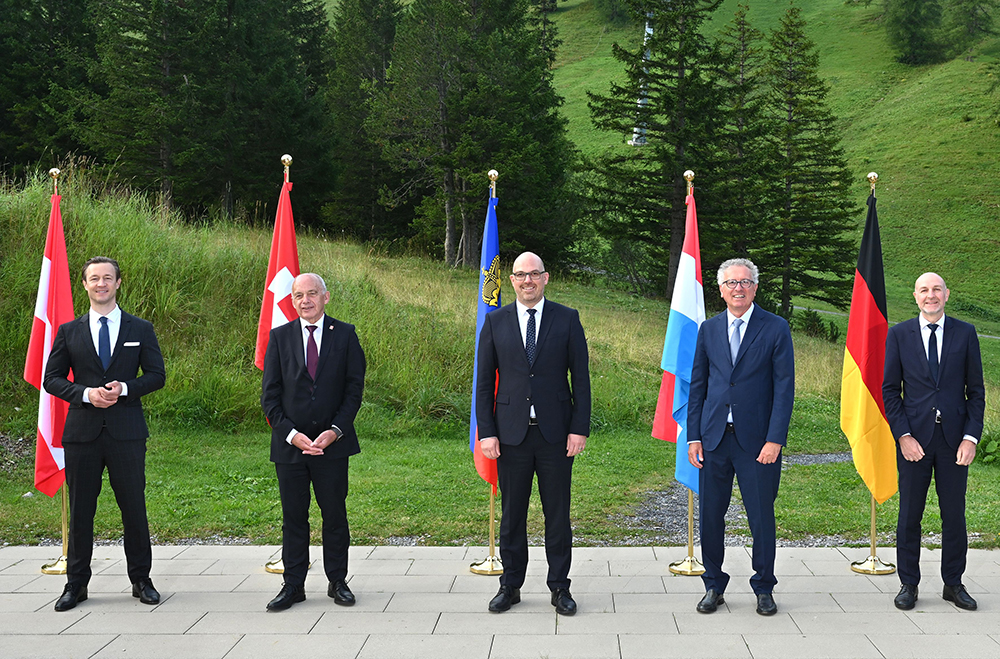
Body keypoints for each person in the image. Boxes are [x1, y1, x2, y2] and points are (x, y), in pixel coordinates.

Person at [44, 256, 166, 611]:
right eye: (94, 278)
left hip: (126, 433)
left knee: (134, 509)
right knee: (82, 511)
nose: (101, 284)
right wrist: (85, 394)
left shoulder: (140, 328)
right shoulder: (69, 330)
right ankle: (75, 585)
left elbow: (157, 375)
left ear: (118, 283)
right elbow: (51, 379)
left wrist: (124, 389)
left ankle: (141, 580)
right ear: (84, 284)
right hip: (81, 434)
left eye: (107, 278)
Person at [475, 251, 590, 616]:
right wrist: (487, 433)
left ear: (546, 278)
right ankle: (510, 585)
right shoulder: (495, 321)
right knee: (512, 516)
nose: (527, 280)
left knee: (558, 514)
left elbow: (581, 380)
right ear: (511, 280)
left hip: (556, 435)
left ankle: (560, 587)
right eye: (520, 274)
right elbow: (483, 385)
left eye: (534, 274)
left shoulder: (567, 319)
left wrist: (579, 429)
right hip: (510, 437)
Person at [687, 258, 794, 616]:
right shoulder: (709, 329)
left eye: (745, 282)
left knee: (761, 516)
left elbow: (784, 388)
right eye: (731, 283)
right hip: (714, 438)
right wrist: (694, 437)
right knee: (710, 516)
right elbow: (698, 385)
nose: (738, 288)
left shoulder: (776, 328)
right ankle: (713, 585)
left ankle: (764, 586)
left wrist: (775, 439)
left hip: (758, 442)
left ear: (755, 287)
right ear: (721, 290)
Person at [260, 273, 366, 611]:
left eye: (312, 294)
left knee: (334, 514)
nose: (305, 300)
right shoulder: (279, 338)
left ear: (326, 297)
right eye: (298, 295)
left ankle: (338, 581)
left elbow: (353, 391)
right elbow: (270, 397)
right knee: (293, 517)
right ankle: (293, 585)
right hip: (291, 447)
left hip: (331, 445)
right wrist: (292, 435)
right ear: (292, 300)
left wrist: (335, 430)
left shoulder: (346, 335)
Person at [883, 272, 985, 611]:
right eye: (925, 290)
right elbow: (890, 392)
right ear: (915, 296)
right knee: (910, 514)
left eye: (937, 290)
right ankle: (908, 585)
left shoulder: (966, 332)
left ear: (947, 294)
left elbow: (977, 392)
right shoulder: (899, 335)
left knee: (953, 514)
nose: (931, 296)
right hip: (915, 441)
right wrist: (903, 435)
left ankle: (953, 584)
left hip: (954, 441)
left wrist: (971, 438)